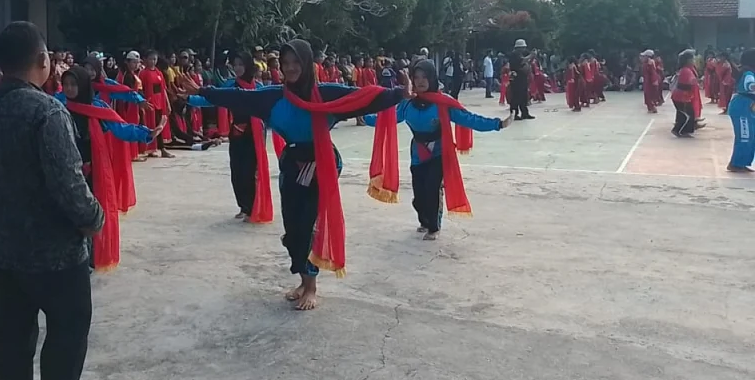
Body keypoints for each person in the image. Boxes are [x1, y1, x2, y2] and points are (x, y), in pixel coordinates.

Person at [183, 39, 408, 311]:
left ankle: (311, 287)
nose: (290, 68)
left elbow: (363, 98)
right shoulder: (273, 97)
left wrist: (399, 93)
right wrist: (203, 92)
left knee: (308, 225)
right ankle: (303, 280)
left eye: (296, 62)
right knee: (292, 229)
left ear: (307, 64)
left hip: (322, 162)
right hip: (292, 163)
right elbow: (239, 97)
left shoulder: (326, 94)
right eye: (285, 63)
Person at [0, 21, 103, 380]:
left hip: (0, 248)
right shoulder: (47, 112)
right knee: (68, 330)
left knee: (12, 334)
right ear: (43, 60)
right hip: (55, 253)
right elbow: (69, 183)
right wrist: (93, 219)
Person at [375, 60, 510, 240]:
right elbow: (386, 119)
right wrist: (359, 114)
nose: (420, 81)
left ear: (432, 78)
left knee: (432, 189)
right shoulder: (407, 104)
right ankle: (425, 220)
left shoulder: (443, 103)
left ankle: (434, 227)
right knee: (419, 196)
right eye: (417, 77)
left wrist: (497, 124)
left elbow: (469, 119)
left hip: (439, 153)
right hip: (417, 155)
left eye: (424, 77)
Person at [60, 66, 158, 270]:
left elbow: (120, 128)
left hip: (90, 171)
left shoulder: (97, 107)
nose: (69, 88)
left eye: (73, 84)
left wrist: (146, 133)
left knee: (89, 215)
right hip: (64, 171)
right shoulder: (57, 105)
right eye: (66, 84)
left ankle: (89, 258)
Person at [188, 52, 273, 222]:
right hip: (237, 132)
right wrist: (190, 99)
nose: (238, 68)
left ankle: (251, 208)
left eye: (241, 64)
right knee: (237, 171)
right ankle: (243, 206)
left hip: (255, 134)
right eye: (235, 65)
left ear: (248, 66)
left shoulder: (258, 87)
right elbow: (213, 99)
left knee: (250, 171)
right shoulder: (231, 86)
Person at [139, 50, 174, 159]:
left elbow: (163, 89)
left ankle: (159, 148)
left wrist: (167, 103)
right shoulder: (143, 73)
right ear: (146, 60)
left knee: (159, 126)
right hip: (150, 104)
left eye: (155, 59)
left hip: (160, 102)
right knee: (153, 127)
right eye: (151, 59)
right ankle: (159, 149)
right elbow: (140, 90)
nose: (153, 61)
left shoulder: (159, 73)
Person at [727, 49, 755, 172]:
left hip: (748, 107)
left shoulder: (750, 72)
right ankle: (736, 164)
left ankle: (743, 163)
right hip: (742, 108)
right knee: (745, 136)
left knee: (751, 136)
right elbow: (750, 86)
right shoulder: (748, 73)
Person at [671, 50, 699, 137]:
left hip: (682, 96)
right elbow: (684, 84)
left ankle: (680, 130)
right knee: (688, 115)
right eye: (692, 59)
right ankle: (680, 130)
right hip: (681, 97)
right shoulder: (685, 70)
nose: (693, 61)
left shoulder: (686, 70)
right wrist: (694, 83)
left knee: (684, 114)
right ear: (688, 60)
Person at [508, 40, 534, 120]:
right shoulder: (515, 54)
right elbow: (522, 61)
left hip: (522, 78)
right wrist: (531, 55)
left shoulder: (519, 54)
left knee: (523, 96)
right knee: (516, 97)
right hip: (517, 78)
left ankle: (524, 113)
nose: (524, 49)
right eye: (523, 47)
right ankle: (514, 114)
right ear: (519, 47)